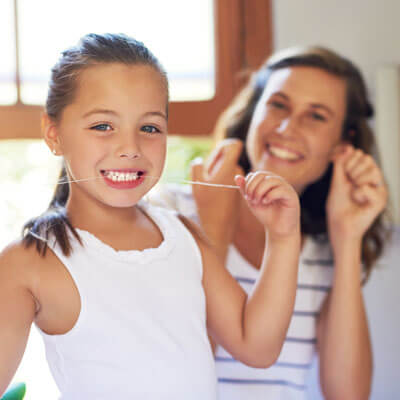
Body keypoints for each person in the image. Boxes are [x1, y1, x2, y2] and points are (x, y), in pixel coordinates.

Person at [0, 34, 302, 399]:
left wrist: (283, 237)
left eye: (149, 128)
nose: (130, 148)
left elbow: (257, 347)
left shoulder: (181, 235)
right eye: (102, 126)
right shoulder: (28, 263)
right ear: (54, 134)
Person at [152, 46, 391, 399]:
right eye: (278, 104)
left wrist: (347, 239)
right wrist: (214, 231)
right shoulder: (169, 211)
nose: (286, 127)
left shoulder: (327, 248)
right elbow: (169, 376)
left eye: (316, 116)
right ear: (253, 113)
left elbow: (348, 395)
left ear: (342, 144)